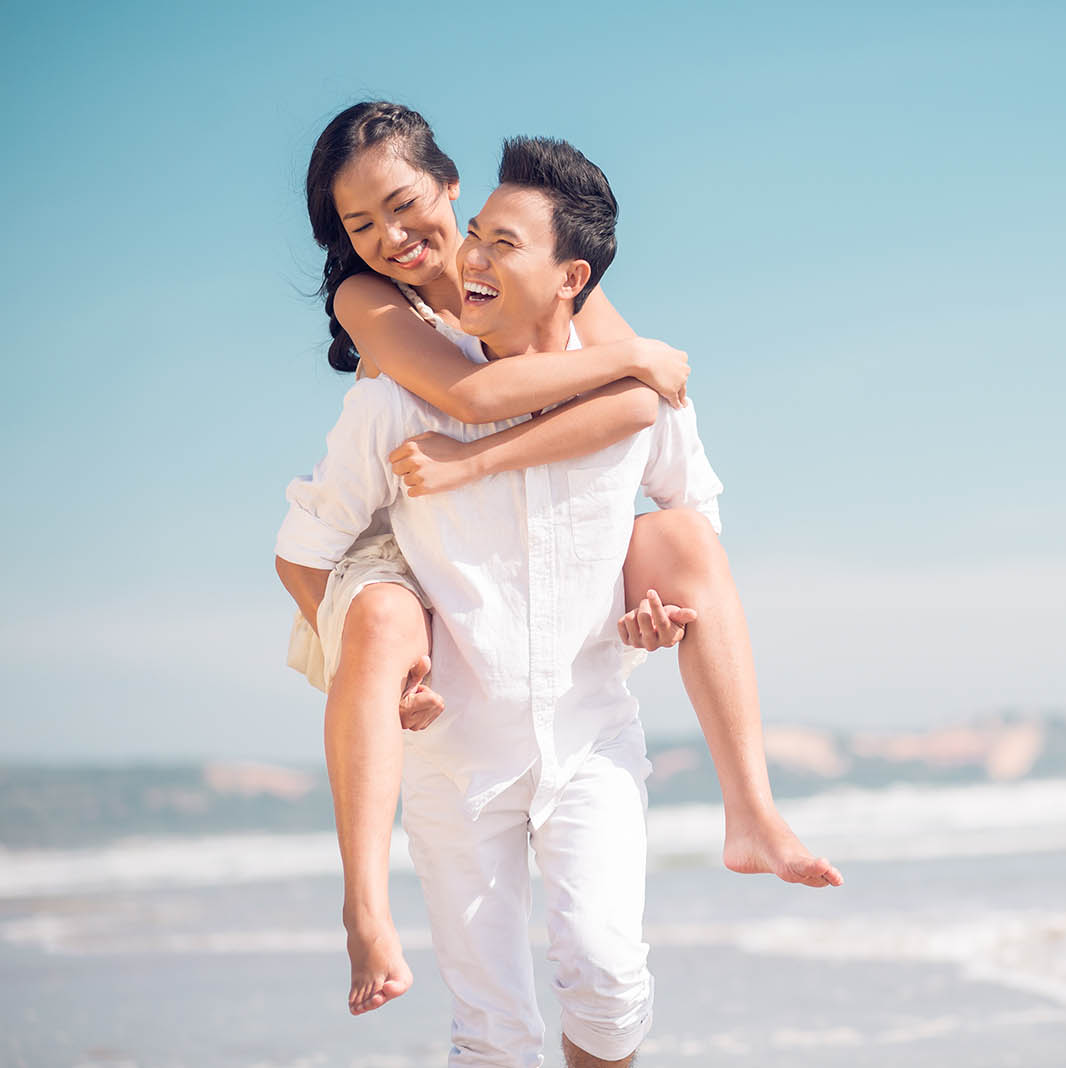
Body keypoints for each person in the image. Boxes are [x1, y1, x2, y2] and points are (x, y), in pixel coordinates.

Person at [282, 101, 840, 1022]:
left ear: (449, 187)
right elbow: (471, 394)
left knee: (683, 539)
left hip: (565, 681)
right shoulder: (372, 302)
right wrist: (629, 370)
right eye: (359, 225)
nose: (390, 237)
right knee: (384, 623)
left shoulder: (526, 264)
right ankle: (363, 907)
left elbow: (640, 400)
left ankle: (753, 808)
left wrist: (638, 581)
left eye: (405, 204)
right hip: (402, 532)